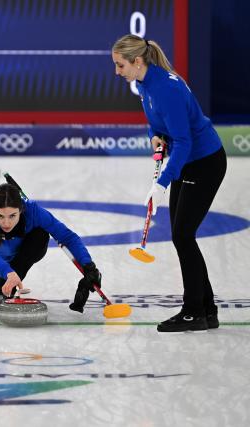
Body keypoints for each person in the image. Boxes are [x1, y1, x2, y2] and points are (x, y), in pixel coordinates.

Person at [112, 35, 227, 333]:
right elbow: (156, 120)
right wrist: (155, 136)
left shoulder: (166, 89)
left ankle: (193, 313)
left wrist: (163, 182)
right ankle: (207, 310)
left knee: (183, 236)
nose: (117, 71)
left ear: (138, 62)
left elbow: (186, 141)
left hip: (203, 162)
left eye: (120, 65)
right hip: (186, 160)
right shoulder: (144, 84)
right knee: (182, 235)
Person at [0, 183, 102, 312]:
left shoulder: (33, 211)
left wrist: (88, 266)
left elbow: (67, 237)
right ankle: (6, 280)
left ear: (21, 209)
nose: (6, 223)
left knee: (40, 233)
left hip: (20, 256)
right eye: (0, 216)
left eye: (12, 215)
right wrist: (8, 273)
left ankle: (11, 278)